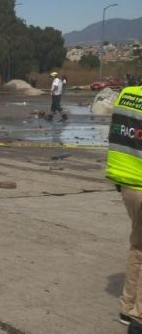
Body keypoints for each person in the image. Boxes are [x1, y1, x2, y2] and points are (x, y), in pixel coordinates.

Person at [106, 83, 142, 329]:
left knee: (138, 246)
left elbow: (119, 135)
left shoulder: (127, 95)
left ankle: (127, 306)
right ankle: (138, 318)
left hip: (127, 184)